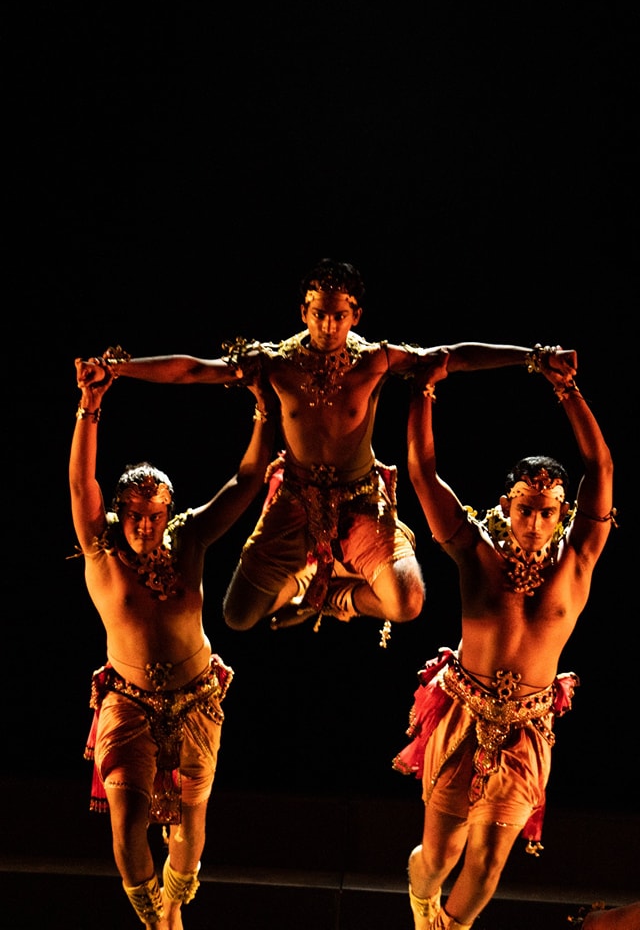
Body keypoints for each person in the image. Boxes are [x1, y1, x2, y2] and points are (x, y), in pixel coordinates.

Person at [78, 258, 577, 644]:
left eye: (339, 315)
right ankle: (302, 585)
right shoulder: (275, 363)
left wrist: (534, 357)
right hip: (294, 500)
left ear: (355, 314)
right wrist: (117, 370)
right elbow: (195, 370)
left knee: (408, 602)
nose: (329, 325)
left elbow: (452, 359)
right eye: (319, 314)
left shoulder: (375, 361)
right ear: (304, 311)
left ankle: (335, 594)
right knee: (238, 615)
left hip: (362, 502)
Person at [392, 347, 616, 930]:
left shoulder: (580, 558)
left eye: (547, 512)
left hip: (527, 729)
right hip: (463, 714)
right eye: (526, 509)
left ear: (564, 512)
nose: (536, 523)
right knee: (440, 856)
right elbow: (422, 472)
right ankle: (421, 902)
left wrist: (566, 389)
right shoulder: (475, 554)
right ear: (506, 505)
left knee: (489, 865)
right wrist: (423, 390)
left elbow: (602, 468)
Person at [69, 357, 275, 929]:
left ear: (168, 513)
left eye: (155, 516)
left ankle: (175, 909)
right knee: (127, 821)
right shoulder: (100, 549)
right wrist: (91, 406)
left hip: (195, 702)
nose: (145, 526)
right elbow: (81, 483)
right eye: (135, 515)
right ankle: (153, 919)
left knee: (187, 827)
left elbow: (245, 484)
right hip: (128, 704)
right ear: (120, 511)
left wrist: (263, 412)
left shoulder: (189, 543)